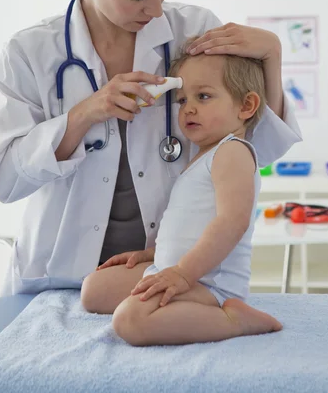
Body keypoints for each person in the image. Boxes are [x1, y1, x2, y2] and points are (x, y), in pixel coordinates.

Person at [0, 0, 301, 297]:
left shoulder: (194, 31)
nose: (156, 10)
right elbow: (5, 181)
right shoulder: (29, 52)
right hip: (58, 276)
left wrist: (273, 56)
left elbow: (254, 147)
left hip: (164, 270)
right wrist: (85, 114)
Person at [81, 44, 282, 345]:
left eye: (203, 97)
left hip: (208, 283)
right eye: (183, 99)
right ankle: (170, 283)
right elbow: (190, 224)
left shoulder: (233, 153)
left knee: (131, 320)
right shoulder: (203, 156)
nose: (188, 108)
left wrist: (184, 274)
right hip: (172, 269)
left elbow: (231, 223)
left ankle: (232, 319)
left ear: (246, 106)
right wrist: (155, 254)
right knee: (94, 290)